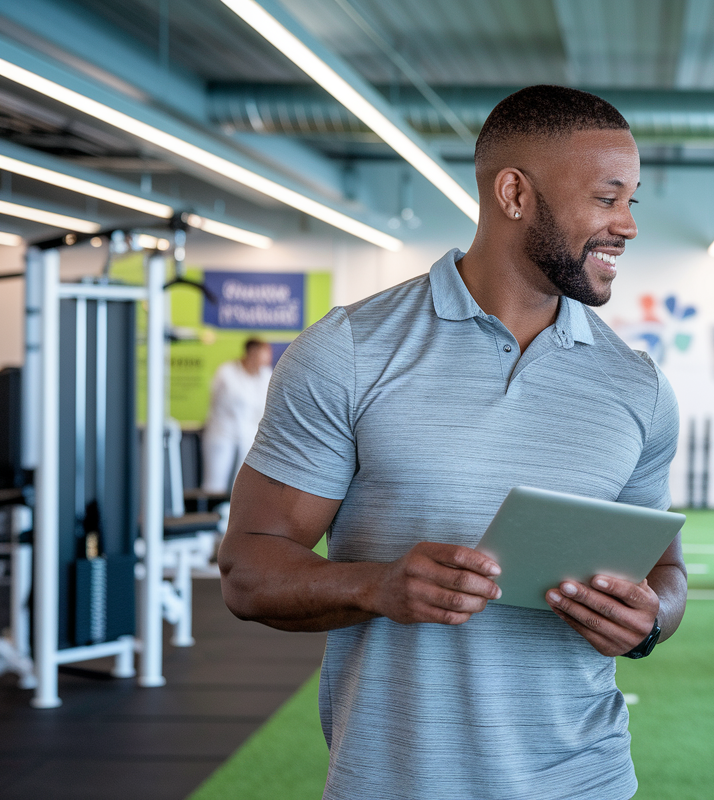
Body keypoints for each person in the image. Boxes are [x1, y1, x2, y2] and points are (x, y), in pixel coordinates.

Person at [218, 85, 685, 800]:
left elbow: (666, 571)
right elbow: (248, 571)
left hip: (588, 780)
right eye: (606, 197)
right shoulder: (348, 351)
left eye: (632, 201)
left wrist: (652, 617)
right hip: (397, 781)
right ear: (514, 194)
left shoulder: (639, 386)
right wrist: (376, 586)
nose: (625, 224)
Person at [200, 337, 273, 493]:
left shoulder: (266, 375)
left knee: (243, 484)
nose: (268, 357)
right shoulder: (226, 372)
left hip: (249, 436)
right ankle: (213, 515)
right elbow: (220, 401)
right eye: (264, 352)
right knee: (215, 482)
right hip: (222, 432)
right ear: (252, 352)